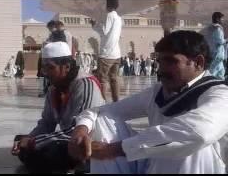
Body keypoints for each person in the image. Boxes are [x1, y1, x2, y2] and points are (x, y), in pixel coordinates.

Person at [68, 30, 228, 174]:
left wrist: (115, 149)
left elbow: (199, 132)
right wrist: (81, 130)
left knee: (189, 144)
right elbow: (102, 111)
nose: (160, 70)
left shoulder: (219, 93)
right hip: (154, 167)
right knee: (102, 120)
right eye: (160, 62)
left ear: (198, 63)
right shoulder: (158, 92)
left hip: (199, 167)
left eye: (170, 61)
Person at [11, 41, 105, 173]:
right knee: (21, 141)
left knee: (51, 152)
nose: (45, 73)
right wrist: (27, 140)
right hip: (68, 138)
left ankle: (85, 163)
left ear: (66, 66)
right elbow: (47, 123)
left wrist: (33, 142)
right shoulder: (53, 88)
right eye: (43, 68)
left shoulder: (85, 85)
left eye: (49, 68)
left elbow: (78, 131)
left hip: (89, 142)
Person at [90, 0, 122, 102]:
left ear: (107, 5)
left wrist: (94, 24)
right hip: (116, 54)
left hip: (106, 54)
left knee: (102, 80)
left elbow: (104, 31)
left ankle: (103, 102)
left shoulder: (109, 15)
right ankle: (116, 101)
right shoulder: (118, 18)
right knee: (114, 78)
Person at [203, 12, 227, 80]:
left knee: (220, 72)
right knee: (213, 72)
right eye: (222, 19)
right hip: (217, 55)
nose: (223, 20)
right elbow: (220, 41)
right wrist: (226, 40)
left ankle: (222, 87)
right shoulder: (217, 29)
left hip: (213, 53)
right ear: (217, 19)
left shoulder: (208, 27)